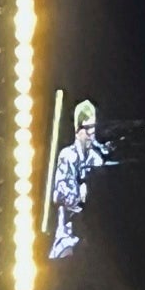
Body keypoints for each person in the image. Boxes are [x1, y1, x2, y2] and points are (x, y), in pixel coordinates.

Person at [50, 99, 107, 260]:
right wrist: (81, 196)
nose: (91, 134)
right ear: (77, 129)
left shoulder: (96, 159)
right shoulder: (67, 156)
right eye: (88, 128)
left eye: (93, 128)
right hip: (67, 237)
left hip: (92, 236)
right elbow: (60, 196)